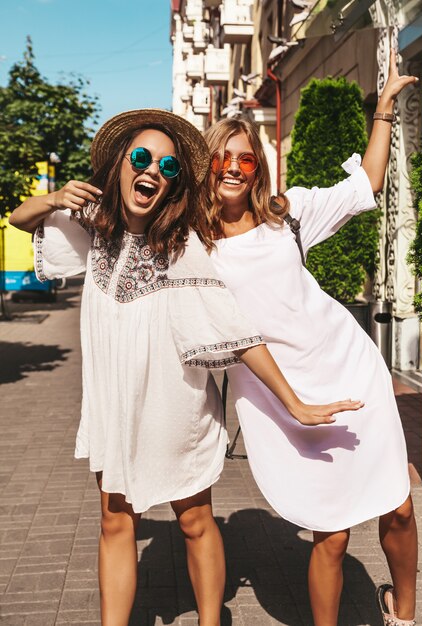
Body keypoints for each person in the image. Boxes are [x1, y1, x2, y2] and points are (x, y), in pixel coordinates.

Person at [9, 109, 362, 626]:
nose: (152, 170)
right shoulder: (95, 229)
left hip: (174, 409)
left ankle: (209, 621)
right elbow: (20, 218)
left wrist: (296, 405)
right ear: (121, 166)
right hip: (114, 407)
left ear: (174, 184)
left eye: (168, 167)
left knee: (195, 520)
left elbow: (236, 331)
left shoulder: (182, 247)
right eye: (141, 158)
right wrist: (55, 198)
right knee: (113, 520)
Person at [204, 50, 419, 626]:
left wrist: (387, 106)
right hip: (282, 397)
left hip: (350, 367)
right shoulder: (192, 247)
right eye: (221, 159)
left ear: (257, 170)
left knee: (398, 506)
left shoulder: (288, 215)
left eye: (244, 161)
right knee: (332, 531)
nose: (231, 169)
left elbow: (366, 185)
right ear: (207, 166)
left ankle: (405, 615)